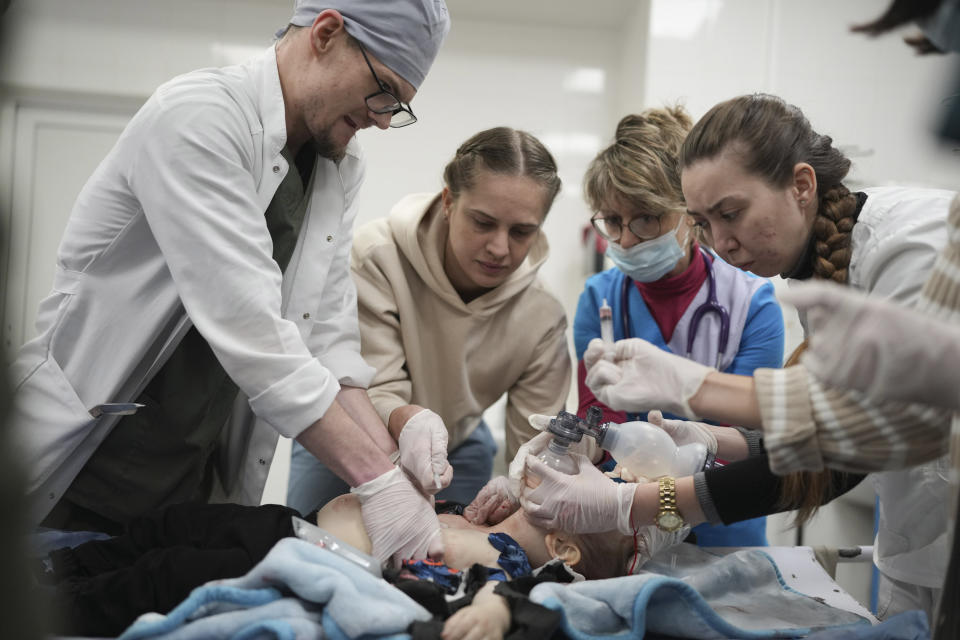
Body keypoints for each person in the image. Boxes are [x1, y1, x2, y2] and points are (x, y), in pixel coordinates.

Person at [7, 0, 451, 566]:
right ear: (326, 32)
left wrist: (396, 458)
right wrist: (377, 480)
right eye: (383, 90)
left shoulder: (336, 164)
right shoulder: (199, 117)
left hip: (184, 488)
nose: (385, 119)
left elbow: (326, 341)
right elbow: (254, 333)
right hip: (77, 473)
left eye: (399, 107)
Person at [562, 93, 954, 622]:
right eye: (703, 223)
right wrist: (715, 437)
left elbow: (882, 429)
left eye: (731, 213)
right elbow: (834, 450)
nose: (721, 242)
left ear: (801, 185)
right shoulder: (823, 268)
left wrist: (637, 501)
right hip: (924, 542)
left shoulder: (910, 249)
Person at [287, 126, 572, 513]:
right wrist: (405, 432)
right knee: (314, 542)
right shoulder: (376, 259)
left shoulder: (542, 316)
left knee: (448, 559)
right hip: (350, 429)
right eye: (483, 222)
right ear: (448, 201)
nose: (499, 248)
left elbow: (536, 447)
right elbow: (371, 387)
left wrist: (526, 486)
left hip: (456, 444)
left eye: (522, 232)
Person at [571, 106, 783, 547]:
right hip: (626, 518)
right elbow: (600, 419)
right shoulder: (599, 298)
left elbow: (752, 434)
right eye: (613, 221)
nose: (626, 240)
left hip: (726, 520)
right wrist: (571, 453)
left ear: (688, 212)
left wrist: (675, 473)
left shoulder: (751, 304)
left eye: (646, 217)